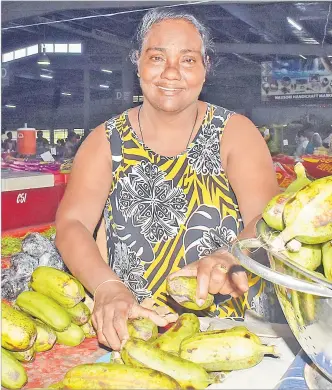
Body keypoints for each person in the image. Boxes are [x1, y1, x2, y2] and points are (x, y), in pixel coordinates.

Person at [55, 8, 279, 351]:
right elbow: (72, 224)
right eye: (157, 57)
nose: (171, 73)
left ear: (206, 68)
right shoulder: (104, 141)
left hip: (229, 332)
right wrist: (105, 287)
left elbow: (266, 219)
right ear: (138, 63)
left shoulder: (235, 134)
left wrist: (231, 256)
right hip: (132, 329)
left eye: (188, 60)